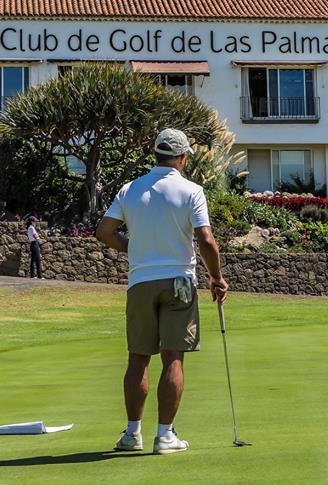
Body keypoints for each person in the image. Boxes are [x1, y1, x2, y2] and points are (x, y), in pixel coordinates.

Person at [96, 128, 229, 455]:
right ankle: (165, 436)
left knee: (138, 358)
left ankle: (132, 434)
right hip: (179, 282)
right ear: (182, 158)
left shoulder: (130, 189)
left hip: (141, 282)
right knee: (173, 357)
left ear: (155, 154)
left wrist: (133, 248)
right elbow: (207, 240)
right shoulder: (192, 190)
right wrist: (216, 277)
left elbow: (104, 232)